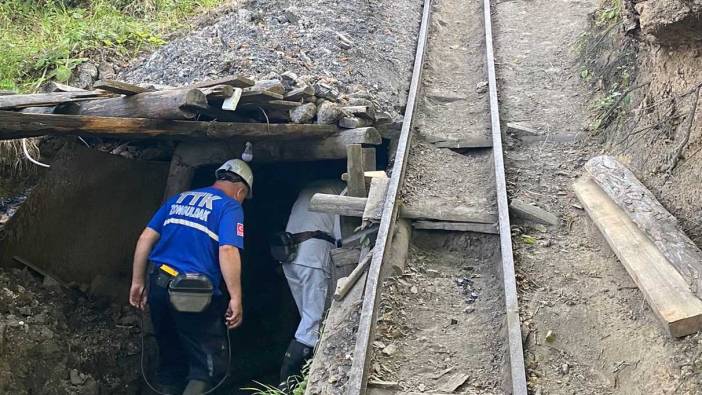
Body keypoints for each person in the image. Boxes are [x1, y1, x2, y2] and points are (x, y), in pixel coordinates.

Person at [129, 159, 253, 395]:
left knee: (170, 358)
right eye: (244, 197)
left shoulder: (180, 198)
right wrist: (236, 297)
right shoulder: (230, 206)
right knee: (206, 368)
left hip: (158, 283)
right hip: (192, 293)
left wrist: (137, 281)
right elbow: (228, 249)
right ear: (241, 191)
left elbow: (145, 238)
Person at [278, 180, 344, 390]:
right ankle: (289, 383)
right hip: (313, 257)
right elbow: (342, 236)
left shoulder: (307, 188)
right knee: (313, 323)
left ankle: (297, 379)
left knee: (306, 319)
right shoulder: (343, 191)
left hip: (289, 256)